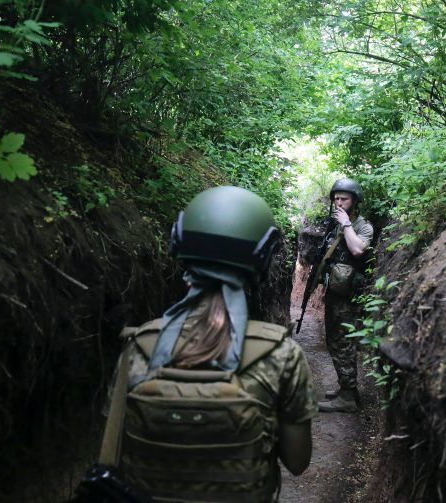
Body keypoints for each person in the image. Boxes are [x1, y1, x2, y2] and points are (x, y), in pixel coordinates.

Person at [102, 186, 317, 502]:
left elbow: (115, 451)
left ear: (180, 245)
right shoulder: (281, 355)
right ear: (263, 259)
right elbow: (297, 462)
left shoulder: (139, 346)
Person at [318, 178, 374, 413]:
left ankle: (348, 398)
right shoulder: (334, 223)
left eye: (345, 199)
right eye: (336, 198)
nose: (339, 203)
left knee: (344, 342)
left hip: (349, 295)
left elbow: (357, 249)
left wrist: (347, 225)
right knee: (334, 340)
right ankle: (345, 387)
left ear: (354, 201)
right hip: (334, 292)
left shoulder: (361, 226)